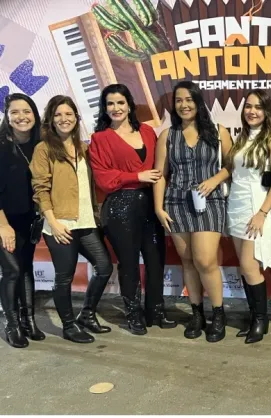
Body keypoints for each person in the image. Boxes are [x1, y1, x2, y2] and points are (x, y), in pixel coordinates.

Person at [89, 84, 176, 335]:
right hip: (120, 207)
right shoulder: (100, 138)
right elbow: (104, 179)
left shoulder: (148, 132)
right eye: (110, 104)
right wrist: (138, 175)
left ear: (129, 105)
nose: (115, 108)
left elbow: (161, 168)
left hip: (152, 205)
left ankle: (156, 312)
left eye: (120, 102)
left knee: (155, 259)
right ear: (104, 109)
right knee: (128, 264)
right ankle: (133, 314)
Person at [153, 81, 233, 343]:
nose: (184, 104)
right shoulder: (167, 135)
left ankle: (218, 314)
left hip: (209, 201)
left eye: (189, 99)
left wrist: (215, 179)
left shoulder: (218, 131)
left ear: (198, 102)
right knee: (187, 260)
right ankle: (197, 313)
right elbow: (160, 175)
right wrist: (158, 207)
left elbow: (232, 165)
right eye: (178, 100)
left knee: (205, 260)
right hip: (176, 202)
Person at [30, 95, 113, 344]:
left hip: (87, 223)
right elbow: (40, 189)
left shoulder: (85, 148)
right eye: (58, 115)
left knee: (104, 267)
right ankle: (68, 325)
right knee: (64, 277)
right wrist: (53, 223)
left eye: (68, 114)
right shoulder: (43, 149)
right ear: (51, 120)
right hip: (61, 225)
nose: (64, 119)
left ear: (76, 118)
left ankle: (86, 314)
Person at [225, 89, 271, 344]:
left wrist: (262, 213)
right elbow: (232, 172)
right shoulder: (241, 139)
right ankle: (254, 317)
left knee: (251, 266)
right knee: (244, 266)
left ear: (266, 112)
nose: (252, 111)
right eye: (248, 106)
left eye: (258, 107)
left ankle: (261, 321)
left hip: (256, 205)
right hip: (236, 205)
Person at [0, 93, 44, 348]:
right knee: (12, 270)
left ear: (35, 115)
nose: (21, 117)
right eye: (15, 112)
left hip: (27, 218)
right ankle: (12, 325)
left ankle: (29, 321)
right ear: (7, 116)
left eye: (26, 111)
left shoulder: (39, 143)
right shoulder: (2, 145)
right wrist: (3, 225)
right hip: (3, 220)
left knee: (26, 268)